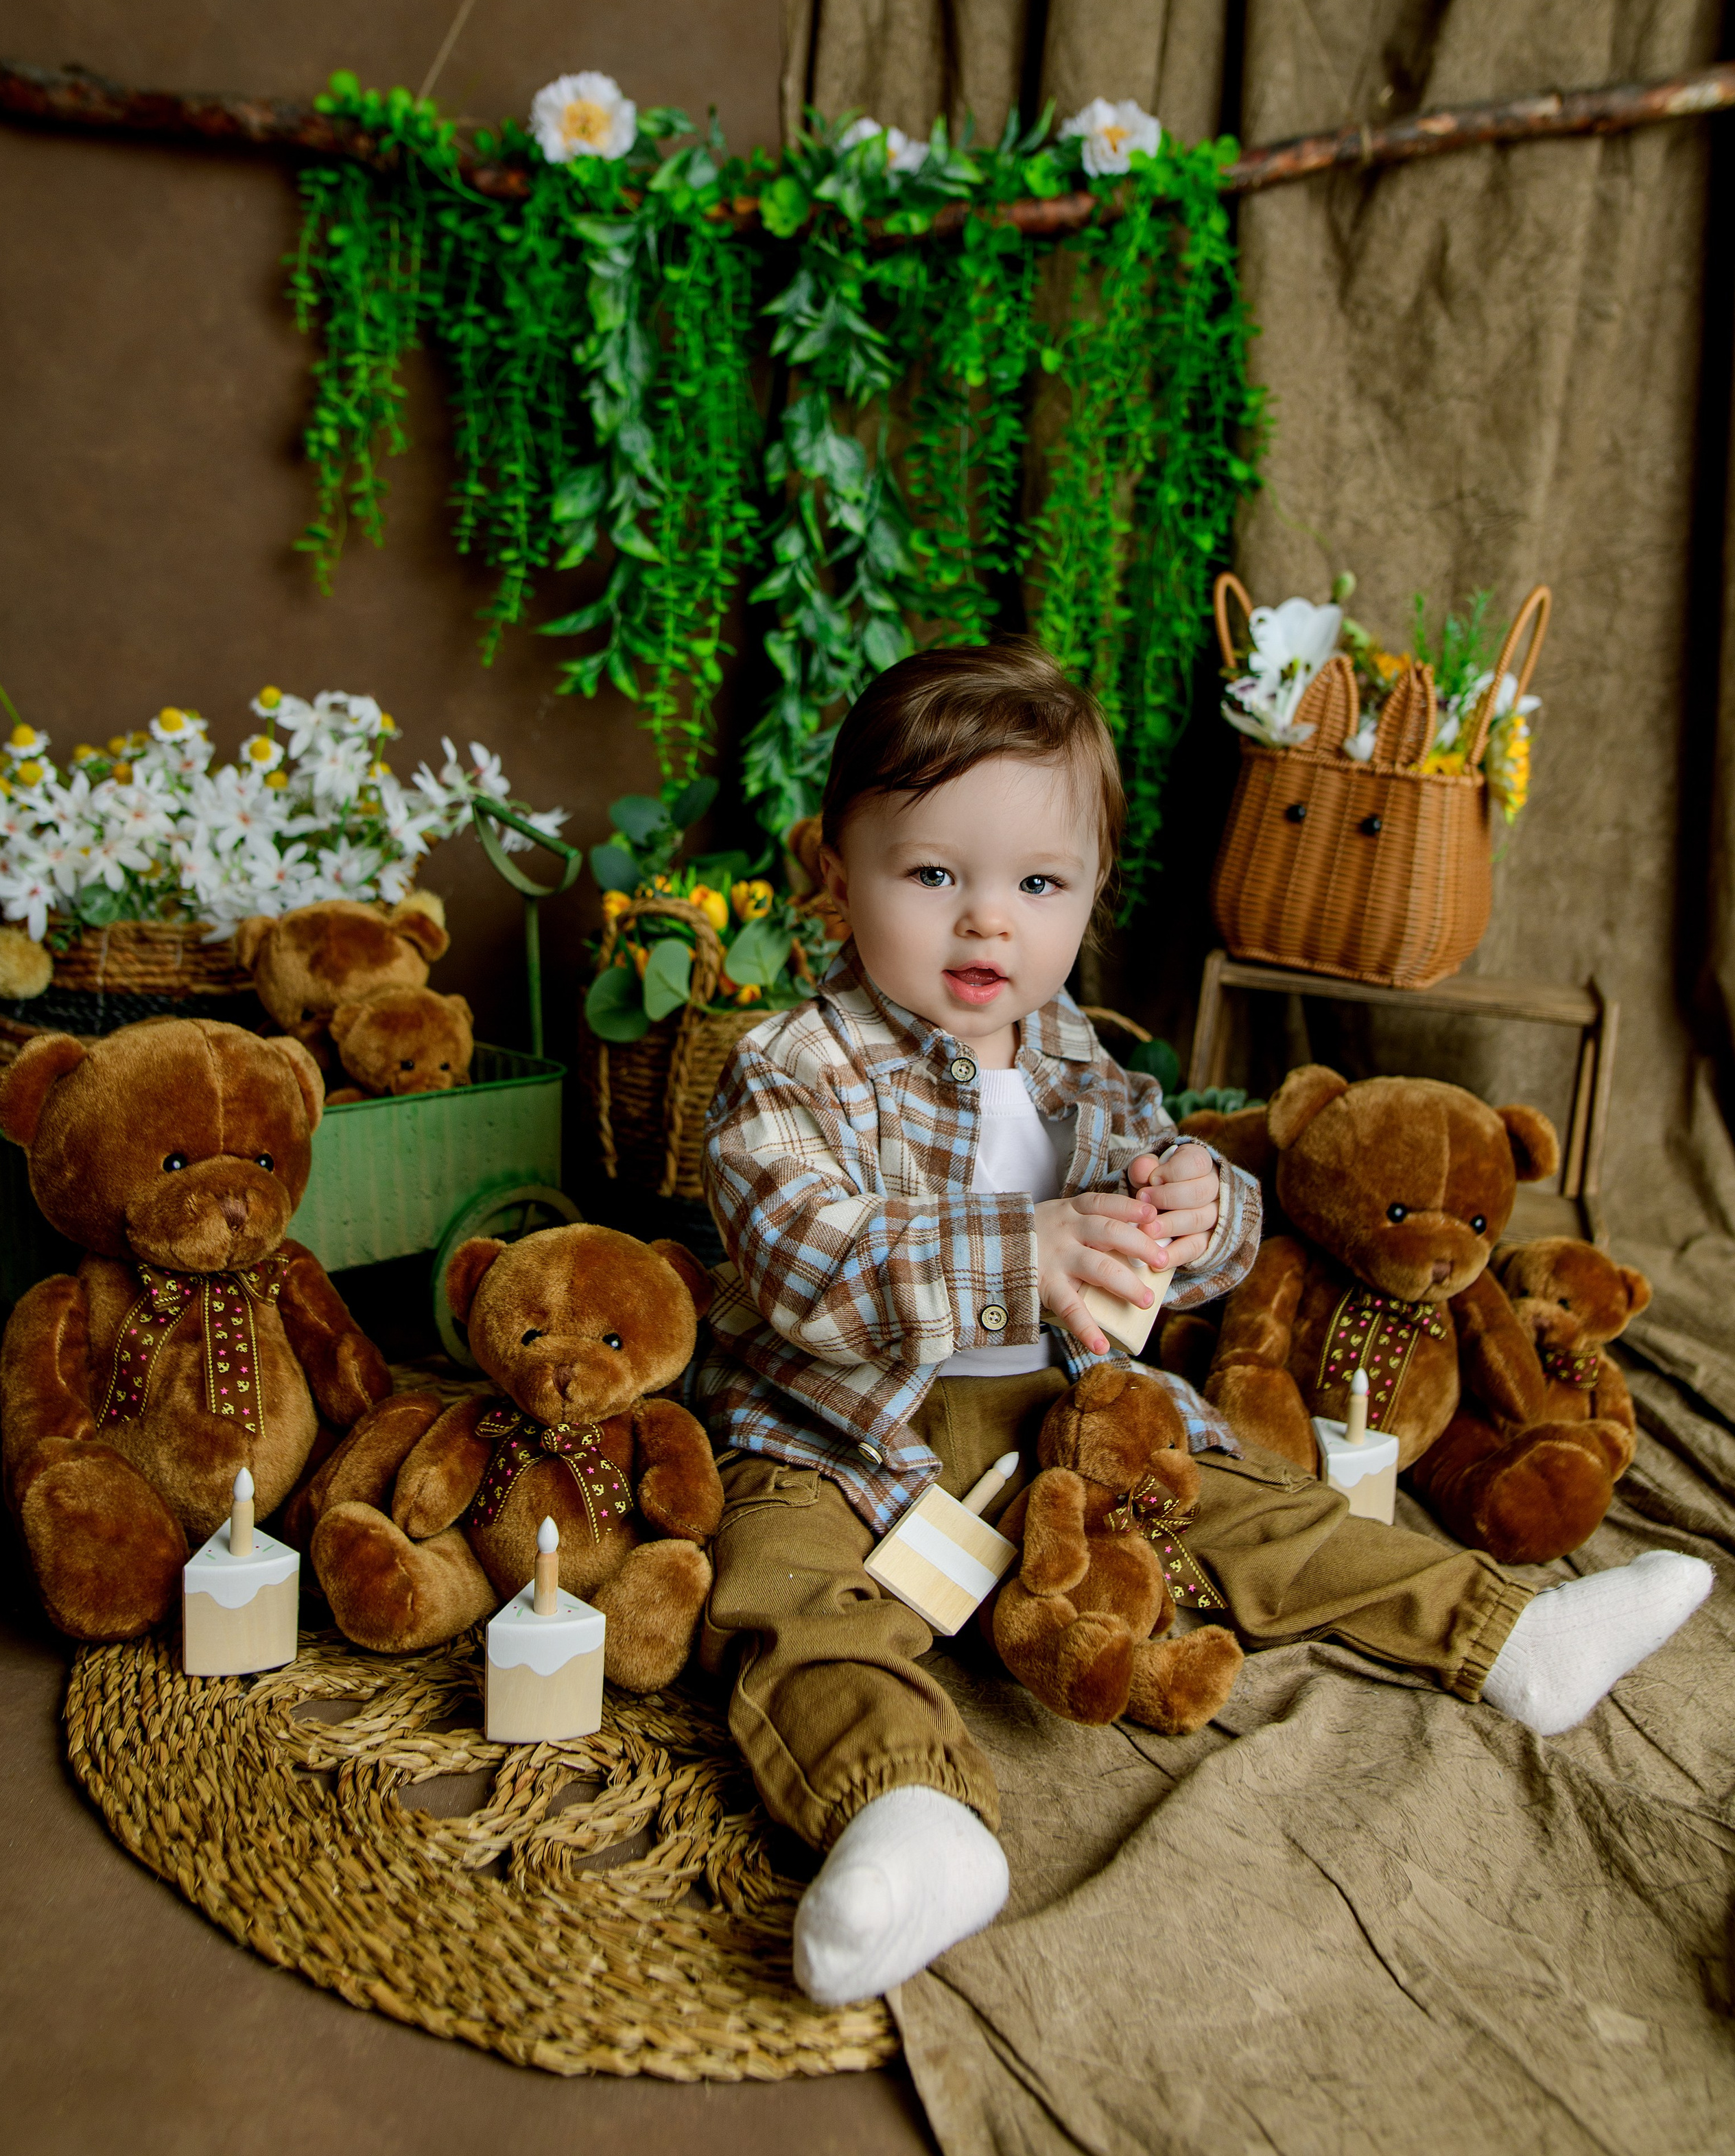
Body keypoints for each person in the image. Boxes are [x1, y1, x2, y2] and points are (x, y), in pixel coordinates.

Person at [694, 637, 1711, 2007]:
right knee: (785, 1598)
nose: (987, 923)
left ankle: (1506, 1637)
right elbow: (795, 1263)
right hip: (832, 1429)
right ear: (839, 871)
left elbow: (1210, 1228)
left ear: (1090, 894)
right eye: (933, 875)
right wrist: (1024, 1247)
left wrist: (1193, 1203)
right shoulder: (792, 1068)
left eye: (1037, 885)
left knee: (1247, 1509)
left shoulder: (1077, 1064)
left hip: (1052, 1419)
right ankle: (907, 1819)